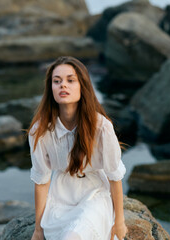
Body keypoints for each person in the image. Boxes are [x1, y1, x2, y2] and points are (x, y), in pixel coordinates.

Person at [26, 56, 128, 240]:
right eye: (57, 81)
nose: (63, 85)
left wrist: (119, 222)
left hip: (95, 193)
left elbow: (114, 177)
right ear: (51, 89)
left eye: (70, 80)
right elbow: (41, 181)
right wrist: (38, 229)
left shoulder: (101, 126)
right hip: (61, 197)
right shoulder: (39, 131)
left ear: (83, 86)